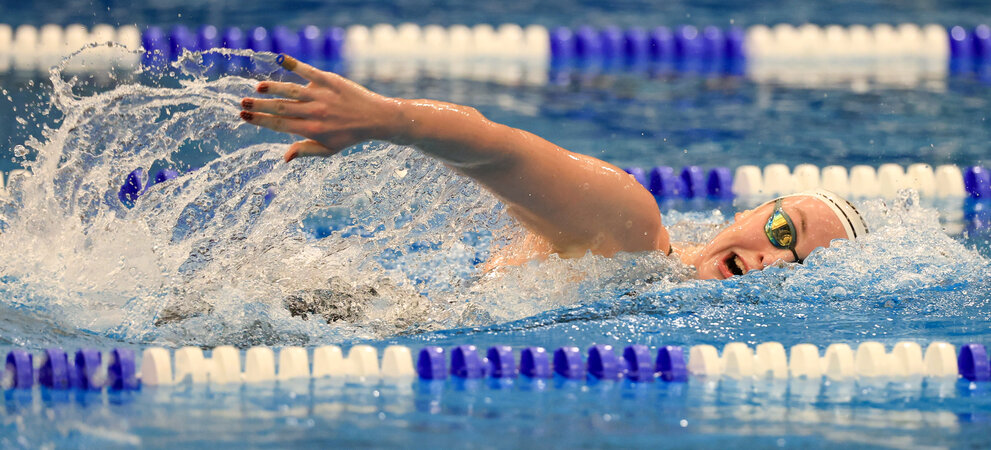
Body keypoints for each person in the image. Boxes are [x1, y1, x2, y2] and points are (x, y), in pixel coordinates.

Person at [238, 54, 868, 280]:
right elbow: (504, 149)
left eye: (803, 268)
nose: (776, 260)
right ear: (753, 212)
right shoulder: (633, 231)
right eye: (785, 234)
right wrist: (388, 120)